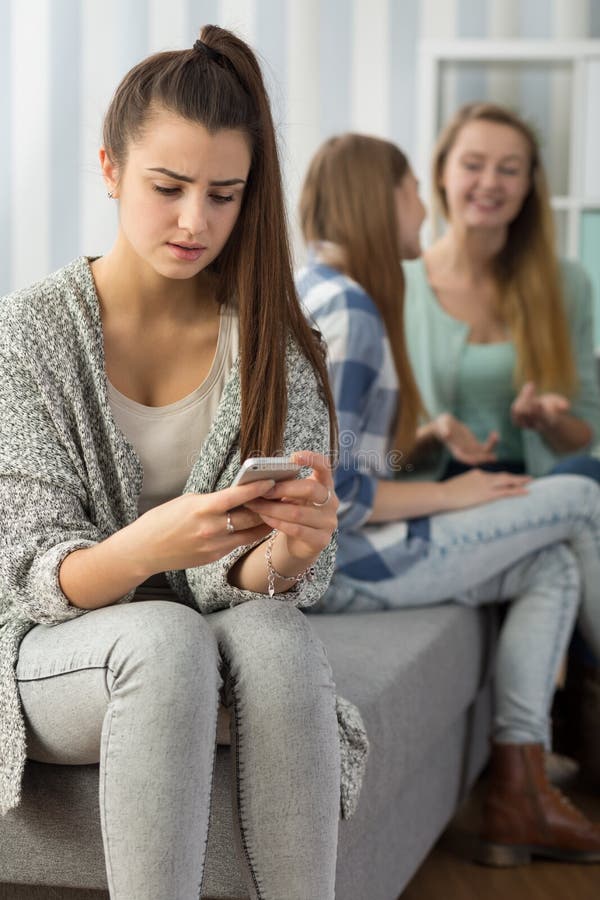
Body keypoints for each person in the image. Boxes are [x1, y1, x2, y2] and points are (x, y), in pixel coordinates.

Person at [0, 27, 368, 900]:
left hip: (206, 629)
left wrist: (288, 552)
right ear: (111, 169)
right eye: (168, 187)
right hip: (48, 643)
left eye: (224, 194)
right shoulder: (27, 337)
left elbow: (251, 584)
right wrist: (154, 544)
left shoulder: (278, 342)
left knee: (276, 638)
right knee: (165, 640)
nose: (194, 221)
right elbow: (26, 577)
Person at [296, 132, 600, 867]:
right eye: (413, 195)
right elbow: (336, 498)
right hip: (344, 567)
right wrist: (454, 495)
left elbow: (342, 461)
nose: (423, 213)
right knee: (582, 497)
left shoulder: (323, 292)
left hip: (339, 557)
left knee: (552, 566)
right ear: (382, 201)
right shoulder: (355, 316)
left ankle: (518, 792)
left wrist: (427, 444)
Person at [403, 101, 600, 783]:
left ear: (529, 185)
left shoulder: (565, 284)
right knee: (583, 502)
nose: (490, 182)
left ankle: (533, 768)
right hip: (448, 487)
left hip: (538, 481)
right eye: (474, 164)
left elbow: (585, 429)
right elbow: (377, 445)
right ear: (442, 175)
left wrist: (547, 418)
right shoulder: (400, 286)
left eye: (509, 169)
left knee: (583, 484)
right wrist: (429, 434)